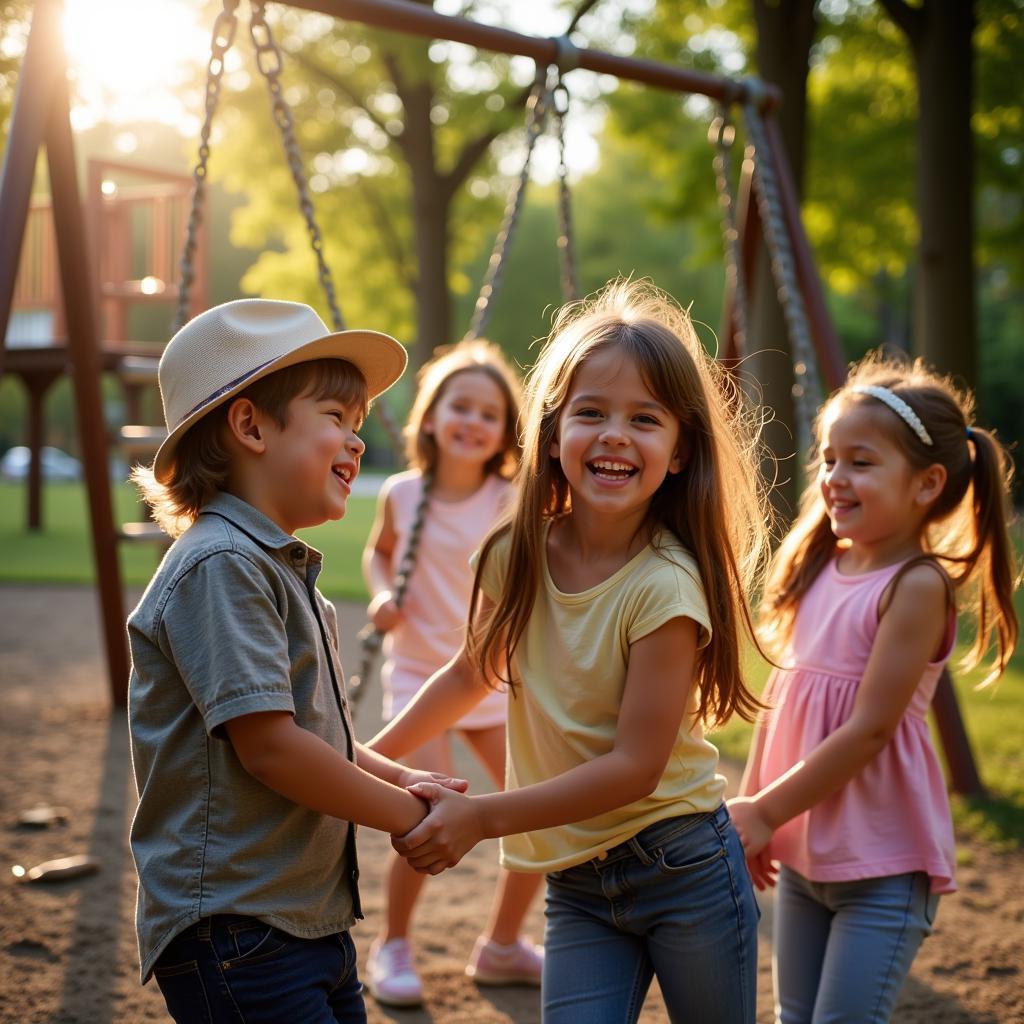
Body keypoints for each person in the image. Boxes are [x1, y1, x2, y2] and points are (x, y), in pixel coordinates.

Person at [370, 278, 770, 1023]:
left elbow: (633, 768)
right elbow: (470, 672)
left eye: (644, 419)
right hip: (576, 884)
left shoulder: (665, 587)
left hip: (682, 865)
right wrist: (362, 756)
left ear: (680, 452)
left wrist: (482, 817)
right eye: (591, 412)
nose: (615, 434)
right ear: (552, 437)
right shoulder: (514, 552)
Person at [126, 299, 468, 1024]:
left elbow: (312, 737)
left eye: (356, 422)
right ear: (251, 426)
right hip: (237, 926)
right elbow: (274, 752)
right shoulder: (220, 565)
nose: (355, 441)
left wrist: (404, 773)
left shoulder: (274, 565)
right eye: (335, 418)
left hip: (299, 919)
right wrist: (409, 816)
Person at [728, 352, 1019, 1024]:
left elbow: (869, 730)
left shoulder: (915, 586)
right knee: (793, 1018)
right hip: (805, 857)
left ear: (927, 484)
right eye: (828, 459)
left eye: (860, 462)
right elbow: (783, 710)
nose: (834, 478)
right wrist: (755, 811)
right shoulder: (821, 565)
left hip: (883, 866)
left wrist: (766, 810)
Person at [361, 339, 544, 1006]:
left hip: (493, 681)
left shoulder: (513, 497)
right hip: (418, 674)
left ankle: (501, 944)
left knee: (534, 817)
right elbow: (379, 554)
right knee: (419, 814)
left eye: (488, 412)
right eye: (459, 406)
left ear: (505, 430)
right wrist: (383, 594)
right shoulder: (404, 494)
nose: (472, 421)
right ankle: (396, 943)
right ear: (430, 418)